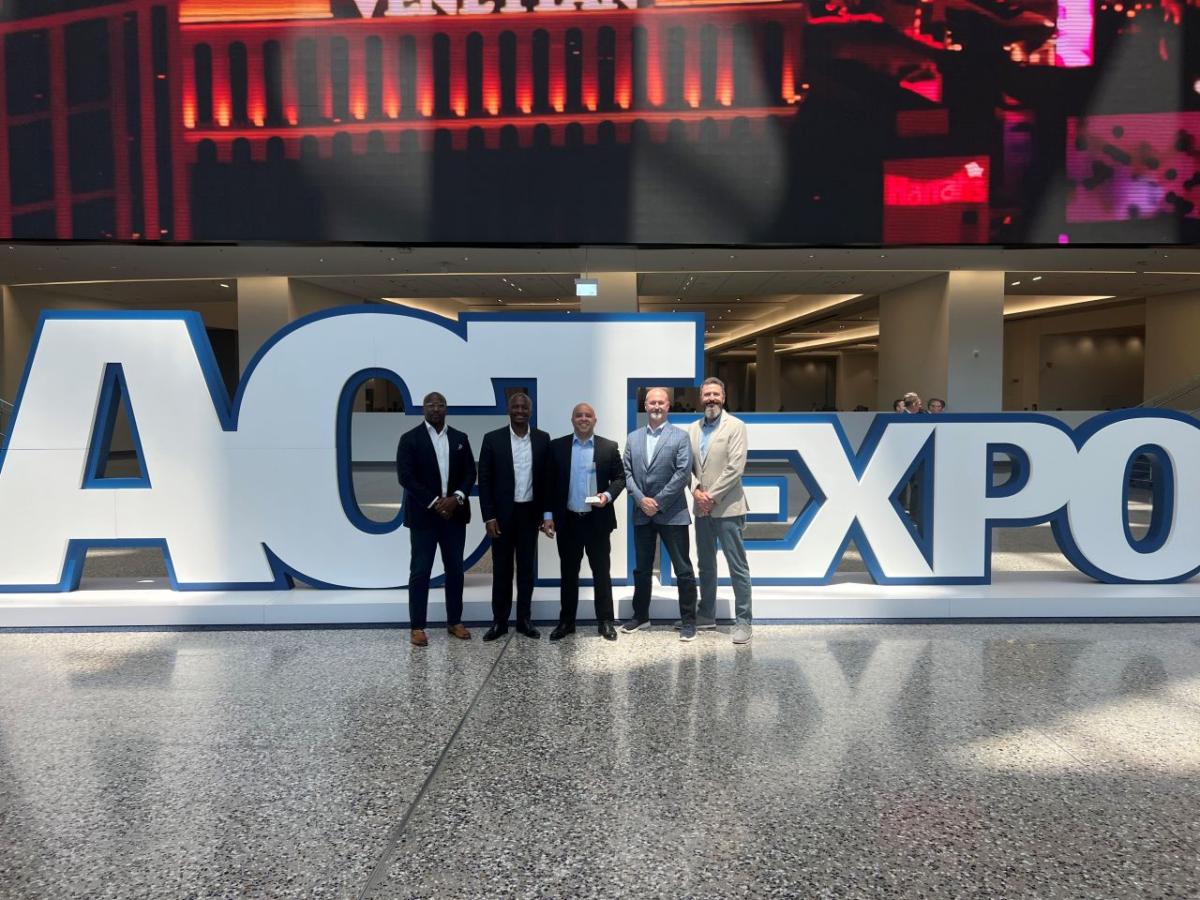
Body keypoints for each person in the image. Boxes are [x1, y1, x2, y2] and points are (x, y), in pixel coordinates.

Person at [397, 391, 476, 647]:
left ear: (446, 409)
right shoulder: (410, 439)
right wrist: (434, 502)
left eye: (440, 404)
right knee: (420, 571)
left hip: (455, 515)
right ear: (423, 409)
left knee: (455, 570)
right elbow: (406, 477)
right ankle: (417, 626)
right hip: (424, 517)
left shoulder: (460, 438)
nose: (435, 408)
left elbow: (470, 473)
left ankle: (455, 621)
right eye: (430, 404)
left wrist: (456, 498)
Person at [542, 402, 625, 642]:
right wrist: (548, 516)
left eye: (588, 415)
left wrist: (606, 496)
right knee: (568, 574)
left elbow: (620, 478)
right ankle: (567, 622)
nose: (583, 419)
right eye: (579, 415)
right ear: (572, 419)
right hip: (568, 521)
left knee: (601, 573)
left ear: (595, 420)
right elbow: (548, 484)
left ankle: (605, 621)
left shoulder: (608, 448)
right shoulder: (557, 447)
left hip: (597, 521)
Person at [622, 387, 699, 640]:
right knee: (642, 569)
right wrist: (642, 500)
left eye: (661, 403)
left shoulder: (680, 437)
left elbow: (682, 473)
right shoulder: (633, 438)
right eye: (652, 402)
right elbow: (627, 473)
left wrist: (658, 501)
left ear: (668, 406)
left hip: (672, 512)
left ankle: (689, 621)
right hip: (642, 512)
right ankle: (641, 616)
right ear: (645, 405)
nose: (656, 406)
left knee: (683, 569)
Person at [478, 392, 549, 642]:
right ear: (508, 410)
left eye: (524, 407)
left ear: (530, 411)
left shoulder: (542, 439)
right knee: (502, 570)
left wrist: (547, 515)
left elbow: (546, 483)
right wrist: (489, 516)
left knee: (527, 571)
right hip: (502, 516)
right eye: (515, 406)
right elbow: (484, 481)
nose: (520, 410)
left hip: (529, 515)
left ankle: (524, 620)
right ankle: (499, 622)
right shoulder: (492, 439)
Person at [687, 377, 753, 644]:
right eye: (706, 395)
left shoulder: (736, 426)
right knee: (706, 566)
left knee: (737, 566)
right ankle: (706, 614)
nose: (711, 399)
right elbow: (687, 467)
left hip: (728, 508)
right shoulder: (692, 428)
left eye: (715, 394)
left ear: (723, 398)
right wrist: (696, 491)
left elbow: (736, 468)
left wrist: (710, 497)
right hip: (702, 508)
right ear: (701, 398)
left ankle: (744, 621)